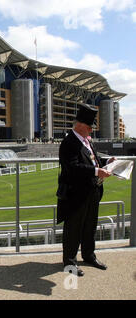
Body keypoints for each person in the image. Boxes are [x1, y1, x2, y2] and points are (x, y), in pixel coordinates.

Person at [57, 104, 115, 277]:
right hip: (76, 194)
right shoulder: (69, 143)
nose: (91, 130)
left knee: (90, 226)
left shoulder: (86, 140)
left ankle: (89, 255)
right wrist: (97, 171)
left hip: (93, 190)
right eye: (90, 127)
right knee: (73, 228)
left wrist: (106, 161)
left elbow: (92, 160)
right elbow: (72, 167)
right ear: (80, 125)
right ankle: (70, 262)